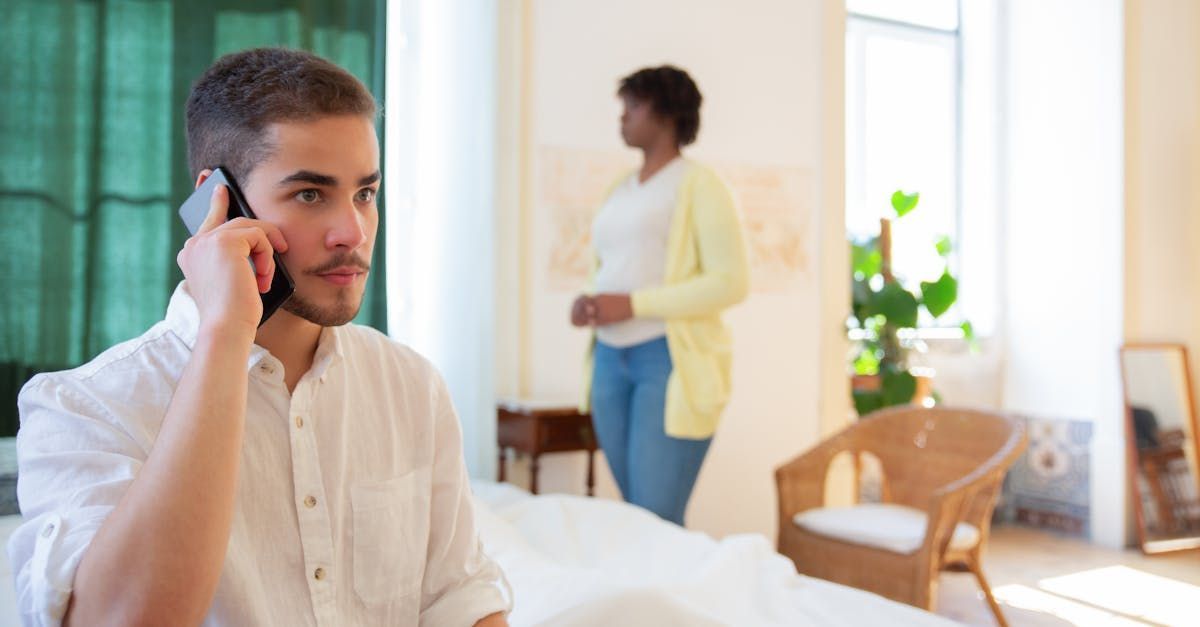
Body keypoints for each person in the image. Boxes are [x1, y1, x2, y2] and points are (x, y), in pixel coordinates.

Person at [8, 48, 510, 626]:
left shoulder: (411, 384)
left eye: (365, 194)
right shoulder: (85, 408)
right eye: (310, 194)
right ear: (218, 204)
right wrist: (225, 334)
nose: (353, 231)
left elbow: (461, 598)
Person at [570, 65, 749, 526]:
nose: (622, 116)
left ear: (666, 112)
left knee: (656, 519)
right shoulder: (620, 189)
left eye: (633, 105)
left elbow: (730, 282)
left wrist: (632, 304)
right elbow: (617, 264)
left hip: (668, 362)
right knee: (637, 518)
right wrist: (591, 300)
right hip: (610, 360)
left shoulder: (700, 185)